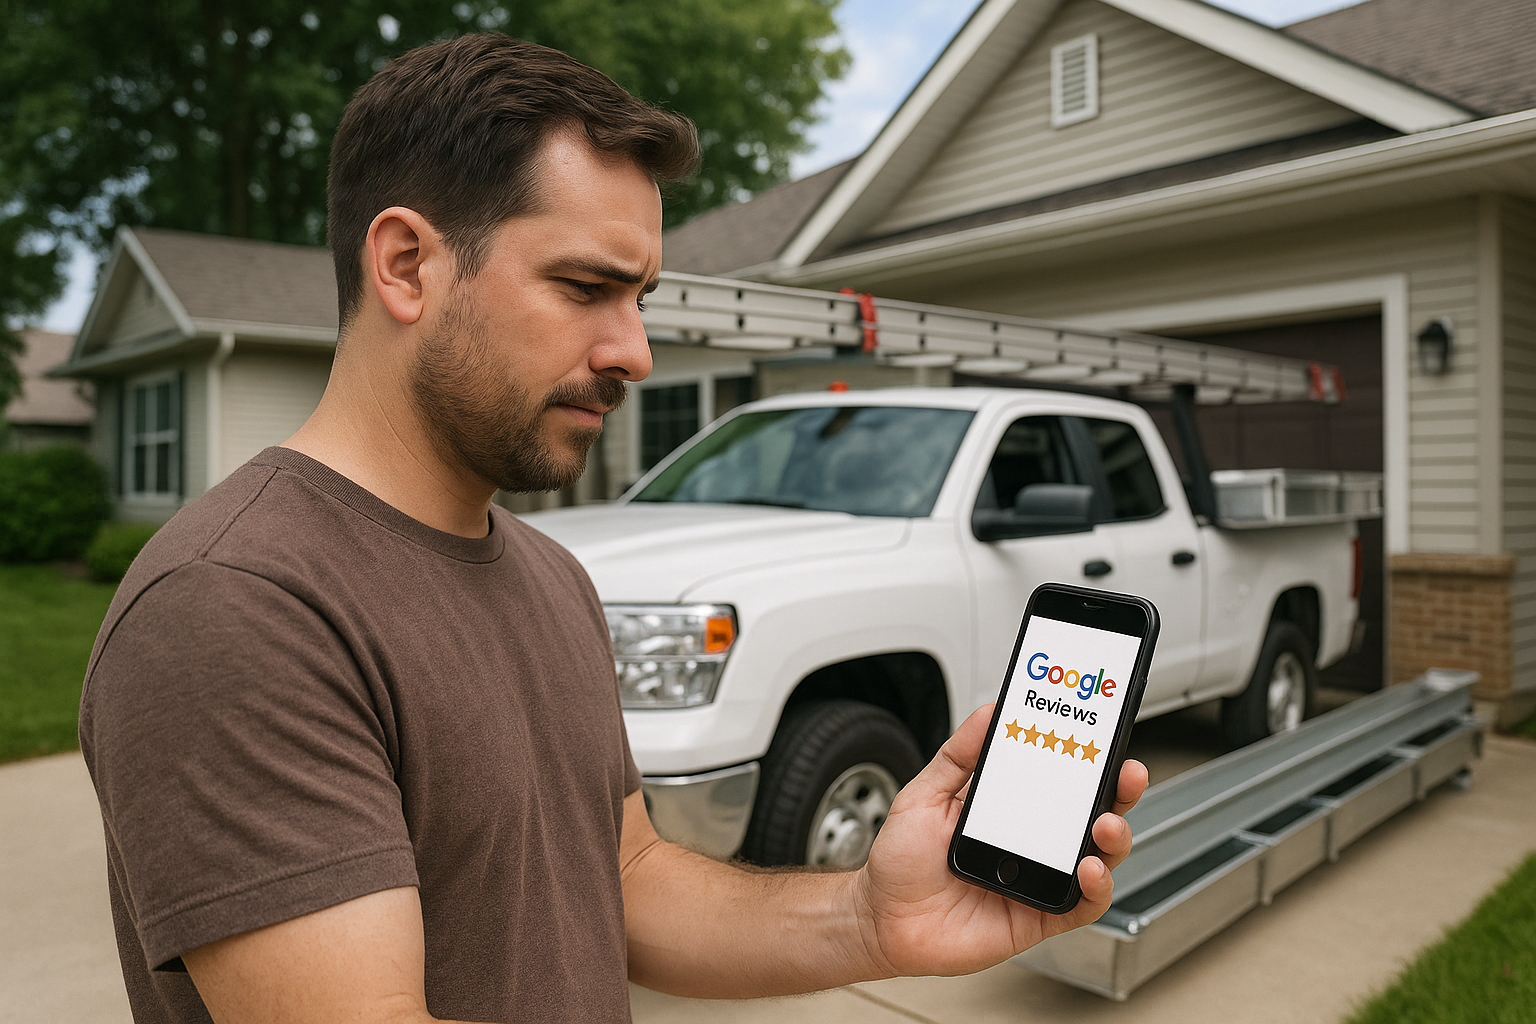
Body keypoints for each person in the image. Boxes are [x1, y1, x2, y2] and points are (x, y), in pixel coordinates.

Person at [79, 33, 1148, 1024]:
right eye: (586, 287)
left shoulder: (552, 577)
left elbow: (626, 878)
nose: (634, 350)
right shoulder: (237, 605)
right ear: (406, 264)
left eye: (638, 296)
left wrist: (870, 916)